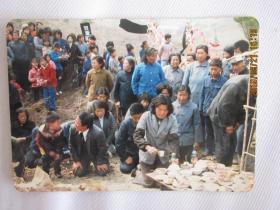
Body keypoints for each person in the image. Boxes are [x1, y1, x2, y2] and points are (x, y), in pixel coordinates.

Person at [134, 95, 179, 187]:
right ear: (154, 107)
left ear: (169, 110)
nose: (162, 112)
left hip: (163, 154)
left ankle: (147, 172)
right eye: (159, 109)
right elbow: (137, 136)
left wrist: (173, 155)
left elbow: (174, 140)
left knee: (162, 183)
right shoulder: (146, 116)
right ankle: (138, 172)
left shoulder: (172, 119)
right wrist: (147, 146)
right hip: (147, 153)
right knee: (148, 183)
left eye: (165, 110)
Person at [207, 75, 249, 166]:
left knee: (232, 143)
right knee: (223, 144)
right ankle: (220, 167)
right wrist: (228, 124)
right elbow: (224, 105)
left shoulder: (250, 84)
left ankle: (227, 165)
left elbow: (247, 104)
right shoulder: (236, 86)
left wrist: (239, 121)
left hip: (232, 114)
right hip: (219, 114)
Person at [68, 112, 109, 177]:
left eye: (77, 123)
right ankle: (87, 166)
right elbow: (71, 146)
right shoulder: (72, 129)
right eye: (75, 121)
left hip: (95, 154)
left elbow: (102, 148)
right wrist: (76, 161)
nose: (75, 124)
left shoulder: (98, 133)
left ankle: (102, 163)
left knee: (102, 172)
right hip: (83, 154)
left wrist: (100, 162)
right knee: (78, 173)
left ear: (85, 126)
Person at [200, 59, 227, 156]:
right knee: (208, 132)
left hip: (217, 112)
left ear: (220, 69)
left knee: (218, 132)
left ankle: (218, 150)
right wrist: (201, 107)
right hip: (206, 110)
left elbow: (225, 98)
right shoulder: (205, 80)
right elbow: (202, 95)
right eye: (211, 69)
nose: (213, 71)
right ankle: (208, 150)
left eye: (216, 69)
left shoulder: (225, 81)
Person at [173, 85, 202, 163]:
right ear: (176, 94)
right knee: (175, 161)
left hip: (189, 139)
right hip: (175, 139)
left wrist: (197, 140)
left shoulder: (194, 107)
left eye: (184, 95)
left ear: (189, 95)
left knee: (189, 161)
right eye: (180, 95)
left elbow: (197, 124)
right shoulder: (172, 106)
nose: (182, 98)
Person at [35, 112, 68, 177]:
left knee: (58, 158)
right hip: (46, 149)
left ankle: (57, 172)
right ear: (50, 124)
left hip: (56, 148)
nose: (59, 124)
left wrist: (57, 152)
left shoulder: (60, 130)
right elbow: (42, 143)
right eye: (57, 123)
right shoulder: (42, 131)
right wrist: (49, 151)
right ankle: (45, 173)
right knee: (45, 160)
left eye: (59, 122)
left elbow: (60, 142)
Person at [116, 103, 145, 174]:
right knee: (125, 169)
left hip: (144, 152)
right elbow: (119, 143)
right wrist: (125, 157)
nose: (138, 120)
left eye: (140, 117)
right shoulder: (125, 124)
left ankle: (138, 167)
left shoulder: (147, 122)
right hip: (131, 153)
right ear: (131, 116)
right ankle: (137, 167)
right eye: (135, 118)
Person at [11, 108, 36, 177]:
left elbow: (35, 135)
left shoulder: (31, 124)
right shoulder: (13, 125)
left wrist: (25, 138)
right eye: (21, 116)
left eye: (24, 116)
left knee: (29, 160)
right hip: (17, 147)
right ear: (17, 117)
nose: (23, 118)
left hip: (29, 145)